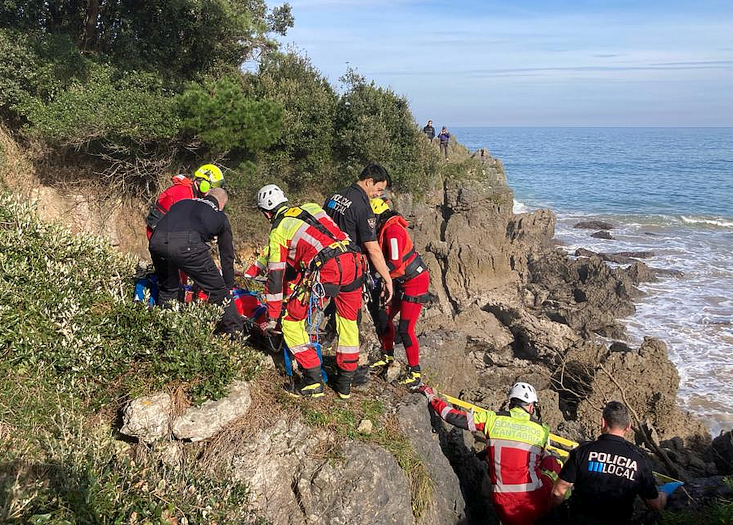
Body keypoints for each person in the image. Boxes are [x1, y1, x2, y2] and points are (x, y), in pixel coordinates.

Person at [257, 184, 365, 399]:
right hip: (355, 261)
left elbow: (275, 277)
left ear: (266, 213)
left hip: (328, 269)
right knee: (347, 319)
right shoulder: (313, 207)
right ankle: (345, 383)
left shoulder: (279, 232)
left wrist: (273, 316)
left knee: (291, 321)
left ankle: (312, 379)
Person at [419, 382, 562, 525]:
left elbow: (453, 417)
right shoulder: (542, 429)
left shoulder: (492, 418)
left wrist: (433, 397)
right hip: (534, 502)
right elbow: (538, 459)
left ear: (511, 402)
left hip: (501, 503)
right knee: (552, 462)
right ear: (531, 407)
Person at [548, 401, 682, 525]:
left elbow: (557, 492)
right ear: (628, 427)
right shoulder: (638, 459)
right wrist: (666, 491)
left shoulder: (582, 452)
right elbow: (655, 505)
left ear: (603, 423)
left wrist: (558, 513)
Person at [148, 188, 243, 335]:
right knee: (219, 293)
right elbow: (227, 256)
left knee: (168, 290)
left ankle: (166, 334)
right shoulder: (220, 216)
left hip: (156, 242)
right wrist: (228, 285)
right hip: (188, 245)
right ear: (222, 204)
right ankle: (235, 336)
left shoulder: (182, 203)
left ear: (205, 194)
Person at [367, 197, 430, 389]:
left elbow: (394, 262)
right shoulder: (384, 229)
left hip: (414, 281)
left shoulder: (393, 231)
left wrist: (375, 277)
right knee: (383, 317)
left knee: (406, 328)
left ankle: (415, 372)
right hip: (399, 280)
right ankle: (387, 355)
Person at [324, 164, 394, 304]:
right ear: (369, 182)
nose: (379, 194)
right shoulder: (363, 208)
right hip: (346, 269)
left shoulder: (335, 196)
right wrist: (388, 279)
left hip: (324, 263)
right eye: (379, 189)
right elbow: (373, 249)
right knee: (349, 316)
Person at [146, 164, 225, 239]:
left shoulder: (193, 196)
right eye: (213, 189)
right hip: (160, 237)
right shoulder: (182, 193)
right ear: (204, 185)